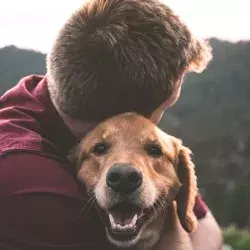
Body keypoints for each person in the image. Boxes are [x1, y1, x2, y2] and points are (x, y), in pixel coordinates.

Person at [0, 0, 222, 249]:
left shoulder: (57, 93)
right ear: (129, 111)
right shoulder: (27, 182)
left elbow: (205, 224)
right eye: (172, 98)